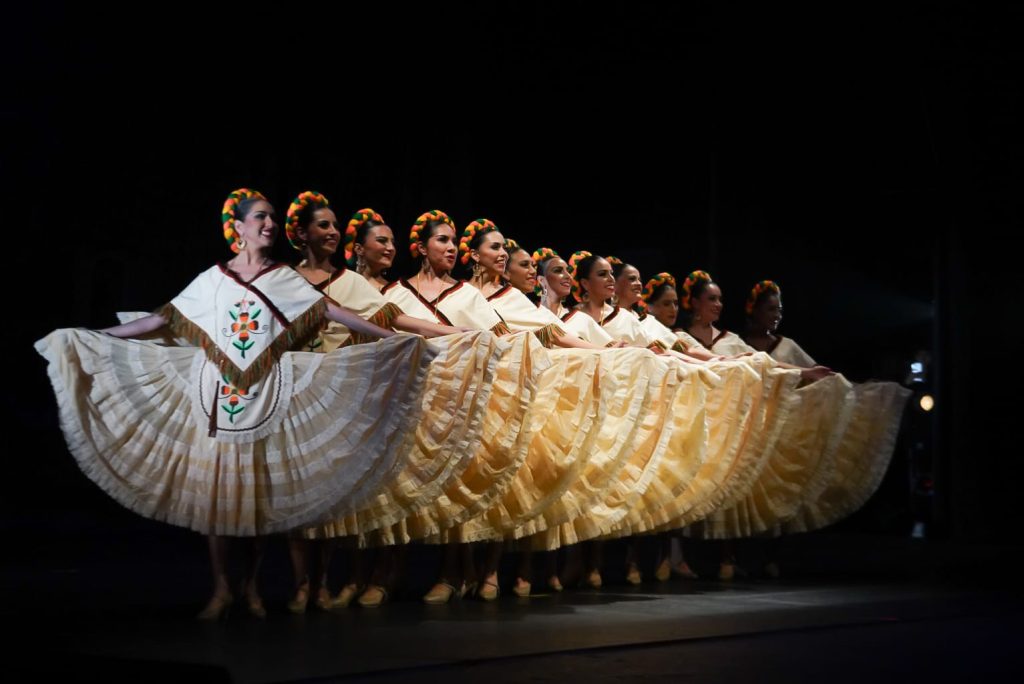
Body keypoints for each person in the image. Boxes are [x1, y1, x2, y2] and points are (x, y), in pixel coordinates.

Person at [35, 188, 439, 620]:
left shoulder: (284, 278)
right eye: (261, 218)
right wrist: (93, 337)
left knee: (254, 499)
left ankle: (250, 588)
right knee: (219, 500)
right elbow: (161, 320)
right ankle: (223, 589)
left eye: (272, 218)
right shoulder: (213, 279)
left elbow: (332, 314)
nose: (269, 224)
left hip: (266, 395)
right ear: (239, 227)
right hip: (219, 393)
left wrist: (396, 341)